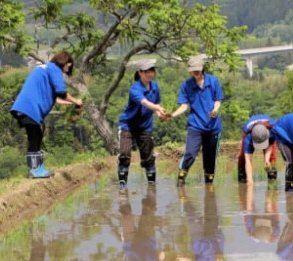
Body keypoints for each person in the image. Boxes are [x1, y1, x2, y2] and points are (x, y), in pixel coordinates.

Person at [10, 51, 83, 178]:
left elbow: (55, 97)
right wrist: (76, 101)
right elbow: (60, 92)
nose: (66, 72)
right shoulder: (55, 69)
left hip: (24, 106)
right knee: (35, 135)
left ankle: (38, 167)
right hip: (29, 107)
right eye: (67, 68)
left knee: (36, 134)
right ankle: (35, 169)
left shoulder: (46, 69)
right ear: (67, 64)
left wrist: (68, 103)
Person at [170, 55, 225, 186]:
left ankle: (209, 187)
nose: (196, 72)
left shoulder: (213, 81)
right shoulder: (186, 85)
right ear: (189, 70)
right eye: (193, 70)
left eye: (198, 69)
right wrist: (172, 115)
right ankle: (180, 180)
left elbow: (218, 100)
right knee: (190, 152)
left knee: (210, 158)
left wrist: (215, 110)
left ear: (202, 69)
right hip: (195, 125)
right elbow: (184, 106)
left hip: (213, 126)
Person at [117, 58, 170, 189]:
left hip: (145, 125)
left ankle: (151, 187)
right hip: (128, 125)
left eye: (152, 71)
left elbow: (156, 103)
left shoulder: (155, 86)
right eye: (147, 71)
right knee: (125, 155)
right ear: (140, 72)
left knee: (148, 158)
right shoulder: (135, 89)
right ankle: (122, 186)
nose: (150, 74)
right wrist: (158, 109)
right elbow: (145, 103)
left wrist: (160, 115)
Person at [176, 186, 228, 261]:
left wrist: (178, 258)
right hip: (215, 243)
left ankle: (183, 194)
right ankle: (210, 192)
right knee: (212, 213)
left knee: (192, 216)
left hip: (199, 244)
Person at [119, 185, 169, 261]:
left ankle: (122, 193)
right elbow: (159, 260)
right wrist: (163, 253)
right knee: (149, 210)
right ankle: (150, 188)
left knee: (127, 215)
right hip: (148, 241)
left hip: (131, 245)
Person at [237, 114, 278, 184]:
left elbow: (270, 145)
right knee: (243, 157)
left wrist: (266, 160)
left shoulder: (272, 131)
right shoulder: (248, 137)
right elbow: (248, 161)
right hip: (250, 132)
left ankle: (272, 178)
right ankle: (243, 175)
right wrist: (249, 180)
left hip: (267, 131)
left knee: (272, 156)